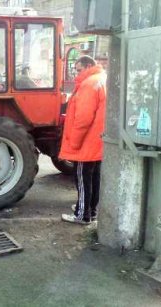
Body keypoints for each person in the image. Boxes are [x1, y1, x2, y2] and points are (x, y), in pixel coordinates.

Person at [59, 55, 107, 225]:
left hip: (87, 141)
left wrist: (74, 142)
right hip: (99, 140)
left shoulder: (88, 84)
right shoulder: (102, 79)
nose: (76, 74)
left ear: (88, 66)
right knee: (94, 177)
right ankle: (91, 211)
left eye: (78, 70)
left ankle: (82, 215)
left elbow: (83, 118)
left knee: (82, 178)